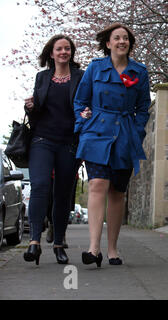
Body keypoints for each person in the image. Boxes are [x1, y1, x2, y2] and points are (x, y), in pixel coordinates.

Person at [74, 23, 151, 267]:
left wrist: (137, 133)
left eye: (125, 38)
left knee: (117, 191)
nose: (121, 41)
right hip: (96, 132)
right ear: (108, 43)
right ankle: (93, 248)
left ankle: (112, 249)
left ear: (129, 43)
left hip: (125, 134)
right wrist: (83, 120)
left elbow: (143, 108)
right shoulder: (95, 68)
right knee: (97, 183)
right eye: (116, 38)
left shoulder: (139, 71)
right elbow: (80, 101)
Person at [23, 35, 84, 265]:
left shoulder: (81, 76)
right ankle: (34, 242)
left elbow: (86, 101)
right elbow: (37, 110)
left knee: (62, 193)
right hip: (42, 140)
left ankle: (59, 243)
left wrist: (86, 113)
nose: (63, 52)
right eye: (59, 49)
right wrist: (30, 106)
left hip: (69, 142)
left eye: (67, 48)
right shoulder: (42, 77)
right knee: (39, 185)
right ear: (51, 53)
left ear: (71, 52)